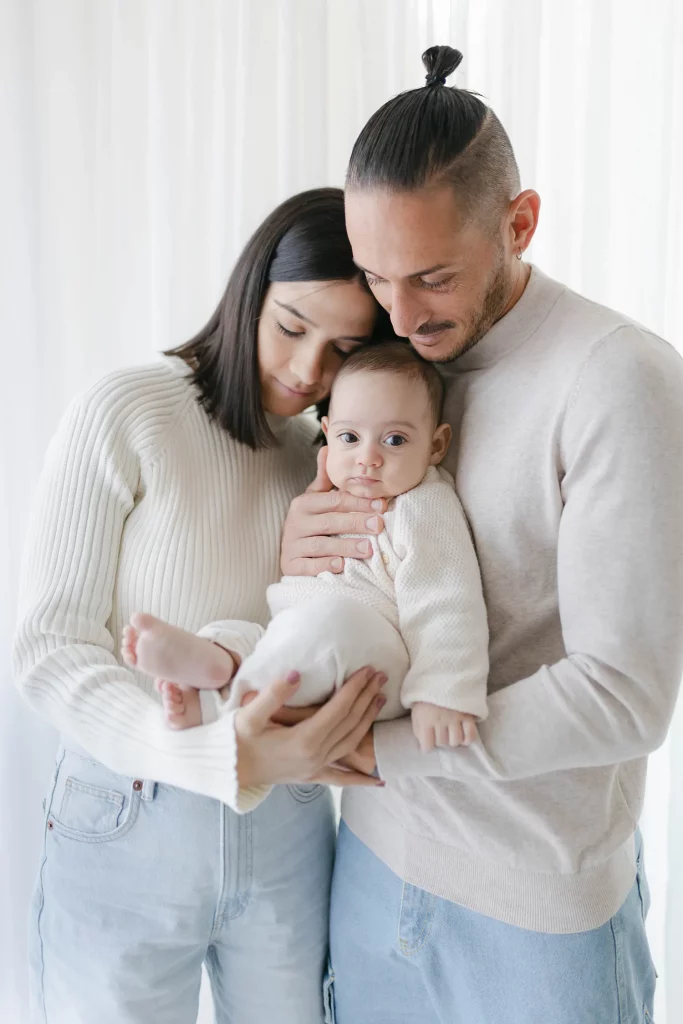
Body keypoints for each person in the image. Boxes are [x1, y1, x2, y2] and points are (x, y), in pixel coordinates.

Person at [279, 46, 683, 1023]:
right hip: (369, 872)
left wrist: (376, 753)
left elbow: (624, 695)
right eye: (376, 276)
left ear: (519, 222)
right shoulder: (381, 359)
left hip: (534, 916)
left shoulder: (612, 378)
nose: (400, 316)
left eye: (430, 277)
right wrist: (301, 545)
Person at [13, 188, 389, 1024]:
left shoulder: (330, 459)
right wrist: (202, 753)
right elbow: (47, 650)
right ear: (250, 288)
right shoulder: (128, 409)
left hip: (289, 826)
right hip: (129, 807)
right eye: (292, 327)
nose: (305, 372)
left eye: (343, 350)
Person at [121, 342, 489, 768]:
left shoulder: (424, 504)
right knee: (246, 631)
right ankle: (216, 661)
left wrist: (442, 690)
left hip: (375, 655)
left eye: (394, 440)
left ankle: (220, 698)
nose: (367, 458)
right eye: (350, 438)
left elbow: (446, 598)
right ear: (329, 436)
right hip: (297, 633)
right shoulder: (322, 497)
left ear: (436, 445)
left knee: (329, 625)